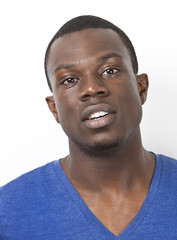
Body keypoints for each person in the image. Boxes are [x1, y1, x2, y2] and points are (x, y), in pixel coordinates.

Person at [0, 15, 177, 240]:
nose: (92, 88)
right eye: (69, 80)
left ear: (141, 88)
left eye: (109, 71)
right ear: (54, 108)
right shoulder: (7, 212)